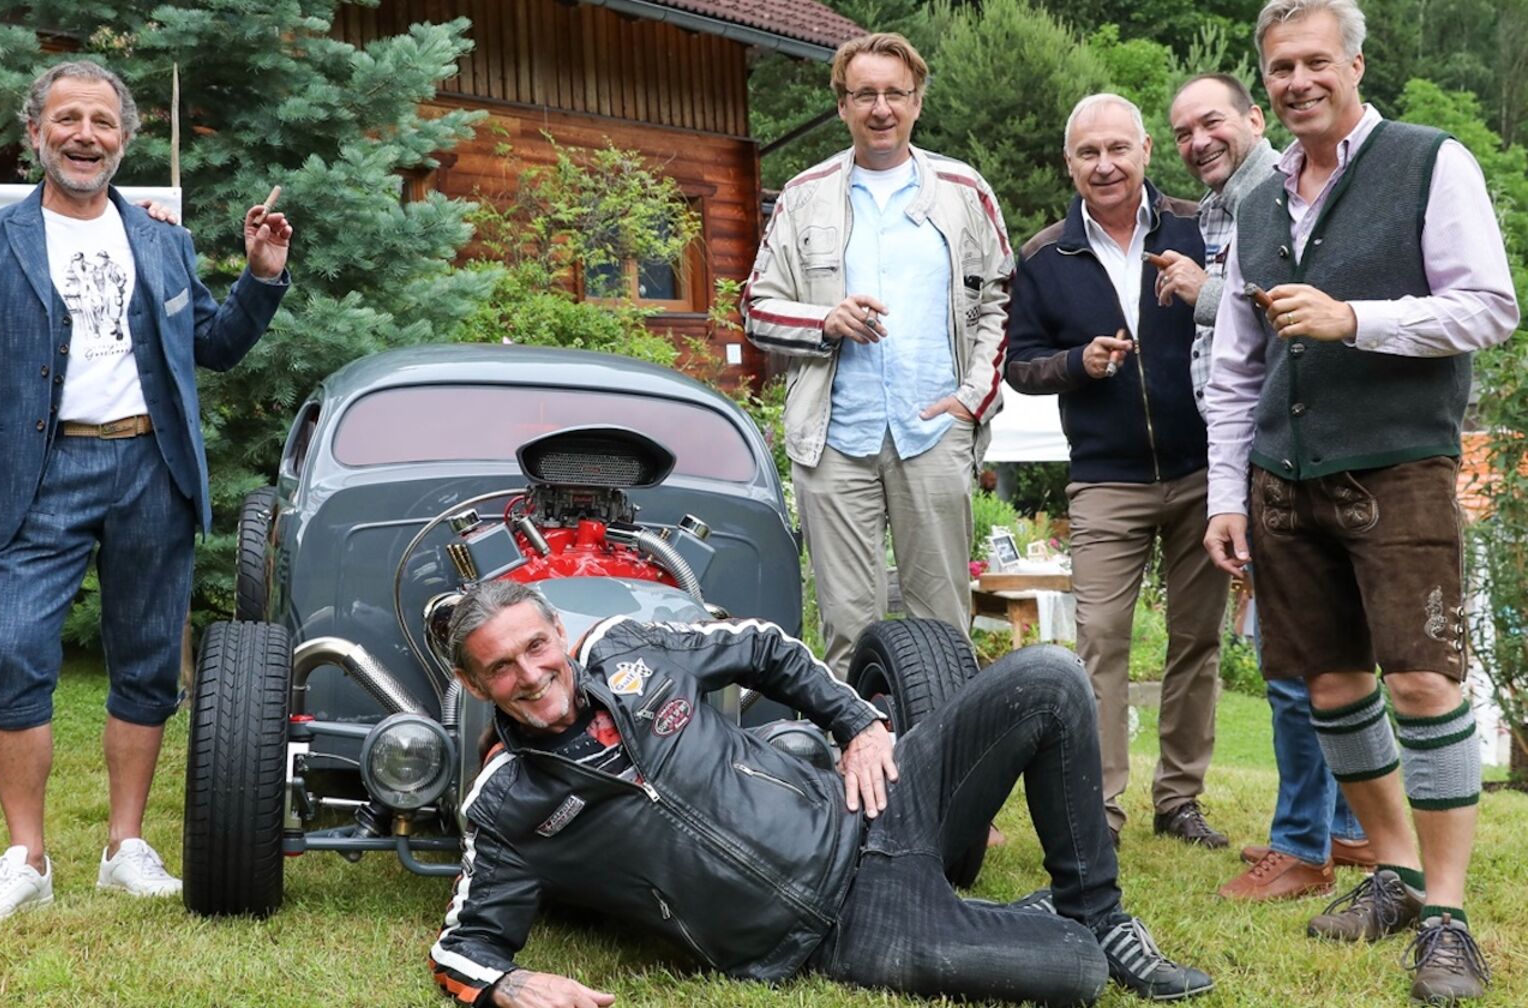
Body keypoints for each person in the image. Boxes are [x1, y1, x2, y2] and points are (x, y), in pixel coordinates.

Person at [427, 580, 1213, 1006]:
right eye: (501, 668)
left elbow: (764, 648)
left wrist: (859, 723)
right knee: (1072, 976)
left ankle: (1097, 913)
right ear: (472, 683)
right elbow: (463, 945)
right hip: (840, 929)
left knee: (1049, 676)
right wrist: (506, 987)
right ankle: (1057, 929)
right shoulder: (505, 805)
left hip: (865, 808)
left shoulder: (628, 651)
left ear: (558, 633)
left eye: (536, 646)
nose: (532, 675)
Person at [1202, 0, 1517, 999]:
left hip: (1399, 466)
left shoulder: (1432, 161)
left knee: (1423, 682)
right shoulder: (1258, 205)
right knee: (1332, 687)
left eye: (1315, 62)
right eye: (1280, 69)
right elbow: (1236, 367)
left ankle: (1449, 915)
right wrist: (1226, 493)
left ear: (1355, 63)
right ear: (1267, 86)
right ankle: (1394, 870)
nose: (1298, 82)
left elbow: (1490, 307)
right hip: (1283, 478)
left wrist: (1355, 319)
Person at [0, 60, 291, 926]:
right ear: (36, 134)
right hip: (37, 477)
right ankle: (25, 857)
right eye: (67, 119)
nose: (84, 134)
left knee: (143, 660)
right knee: (14, 652)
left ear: (124, 140)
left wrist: (262, 275)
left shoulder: (161, 241)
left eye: (101, 121)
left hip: (149, 472)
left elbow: (213, 346)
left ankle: (124, 849)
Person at [1163, 72, 1374, 903]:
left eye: (1211, 121)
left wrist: (1198, 291)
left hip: (1282, 449)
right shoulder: (1228, 207)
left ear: (1254, 120)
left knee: (1292, 656)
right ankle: (1347, 830)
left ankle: (1302, 845)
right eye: (1182, 131)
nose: (1197, 140)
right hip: (1260, 450)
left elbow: (1273, 318)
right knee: (1321, 650)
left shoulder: (1279, 198)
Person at [742, 32, 1012, 671]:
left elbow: (1002, 299)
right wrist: (825, 320)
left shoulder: (963, 189)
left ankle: (946, 766)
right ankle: (850, 766)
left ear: (918, 102)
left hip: (933, 431)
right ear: (843, 105)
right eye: (865, 94)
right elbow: (755, 307)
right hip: (835, 438)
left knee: (944, 626)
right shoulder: (805, 195)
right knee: (846, 631)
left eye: (896, 93)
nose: (881, 108)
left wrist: (972, 401)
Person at [1004, 94, 1229, 848]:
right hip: (1106, 478)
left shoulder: (1203, 227)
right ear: (1069, 164)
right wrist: (1079, 362)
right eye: (1088, 153)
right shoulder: (1042, 257)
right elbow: (1021, 367)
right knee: (1101, 639)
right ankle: (1098, 807)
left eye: (1118, 149)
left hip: (1203, 468)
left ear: (1144, 153)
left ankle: (1180, 799)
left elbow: (1245, 326)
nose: (1105, 165)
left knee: (1197, 640)